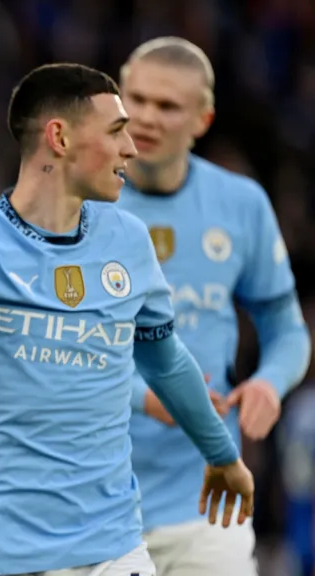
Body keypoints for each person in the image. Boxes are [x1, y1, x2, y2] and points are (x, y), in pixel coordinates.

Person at [0, 63, 254, 576]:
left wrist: (222, 454)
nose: (132, 149)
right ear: (60, 137)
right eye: (117, 131)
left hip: (109, 545)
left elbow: (166, 362)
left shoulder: (128, 241)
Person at [115, 37, 312, 576]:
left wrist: (270, 381)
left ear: (202, 119)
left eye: (168, 105)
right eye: (136, 99)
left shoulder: (240, 204)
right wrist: (143, 396)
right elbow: (45, 345)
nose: (146, 117)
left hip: (207, 497)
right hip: (93, 500)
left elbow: (286, 326)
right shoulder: (75, 205)